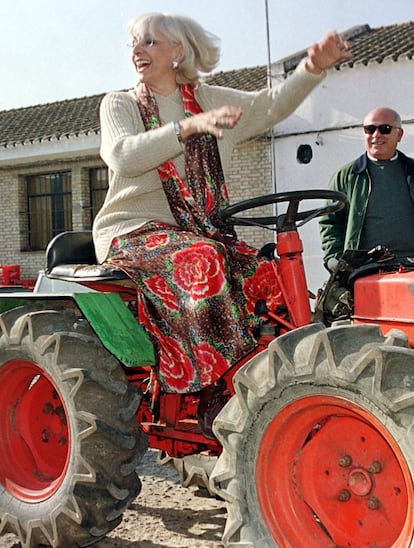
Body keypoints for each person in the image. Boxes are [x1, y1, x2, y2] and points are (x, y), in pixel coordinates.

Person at [93, 12, 351, 394]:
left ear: (178, 51)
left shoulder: (210, 100)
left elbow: (270, 106)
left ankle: (283, 379)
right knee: (202, 260)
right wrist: (186, 129)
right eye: (134, 42)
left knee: (265, 271)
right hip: (131, 231)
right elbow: (123, 156)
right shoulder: (120, 104)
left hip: (199, 232)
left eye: (148, 41)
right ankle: (212, 388)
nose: (137, 50)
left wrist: (311, 68)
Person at [320, 107, 414, 271]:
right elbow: (330, 223)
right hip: (364, 271)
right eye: (370, 129)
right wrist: (334, 259)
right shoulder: (346, 176)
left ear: (399, 134)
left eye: (384, 129)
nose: (376, 135)